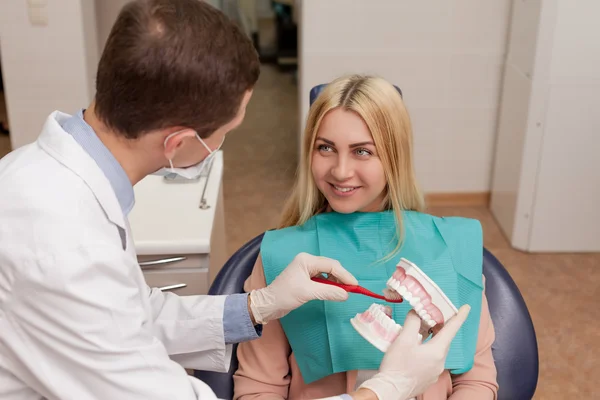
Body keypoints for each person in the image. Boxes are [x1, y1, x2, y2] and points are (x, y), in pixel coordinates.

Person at [0, 2, 472, 400]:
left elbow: (135, 314)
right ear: (179, 143)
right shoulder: (62, 245)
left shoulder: (42, 179)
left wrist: (256, 307)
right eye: (226, 134)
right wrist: (387, 388)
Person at [233, 75, 499, 400]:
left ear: (394, 157)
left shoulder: (451, 246)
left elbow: (475, 382)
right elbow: (259, 388)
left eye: (362, 151)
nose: (341, 171)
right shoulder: (283, 257)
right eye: (325, 148)